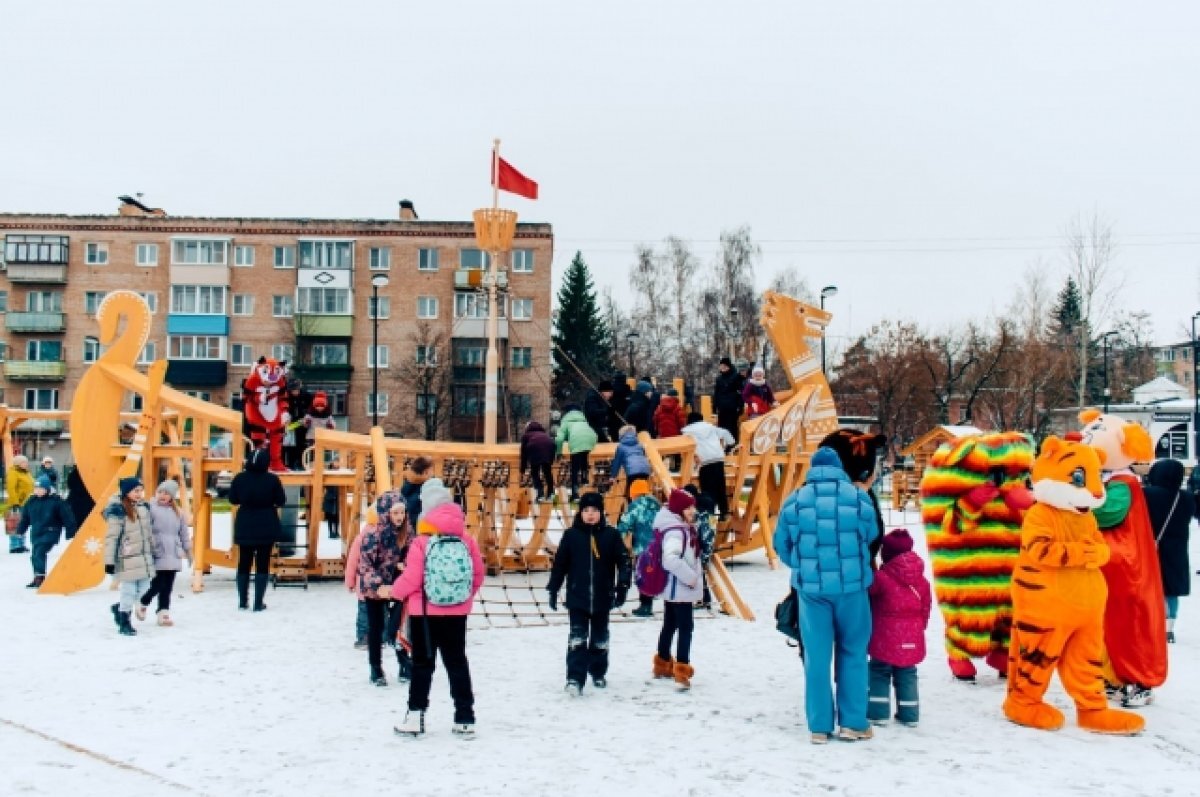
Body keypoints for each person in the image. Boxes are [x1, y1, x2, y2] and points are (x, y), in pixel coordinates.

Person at [774, 446, 880, 744]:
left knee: (816, 658)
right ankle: (853, 722)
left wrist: (802, 566)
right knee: (854, 653)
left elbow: (781, 544)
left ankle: (819, 727)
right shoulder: (858, 497)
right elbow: (871, 536)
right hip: (852, 589)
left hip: (812, 592)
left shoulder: (794, 501)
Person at [387, 479, 485, 737]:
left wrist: (394, 592)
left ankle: (415, 717)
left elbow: (412, 577)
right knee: (457, 662)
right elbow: (478, 573)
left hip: (425, 613)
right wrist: (464, 598)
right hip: (457, 613)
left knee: (422, 664)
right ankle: (465, 718)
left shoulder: (422, 542)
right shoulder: (466, 539)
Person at [546, 491, 632, 695]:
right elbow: (560, 565)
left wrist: (622, 586)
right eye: (586, 510)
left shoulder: (611, 535)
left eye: (594, 510)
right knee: (577, 638)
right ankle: (575, 678)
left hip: (603, 597)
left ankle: (598, 671)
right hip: (578, 597)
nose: (590, 514)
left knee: (600, 638)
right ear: (580, 513)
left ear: (601, 512)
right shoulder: (571, 535)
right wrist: (553, 588)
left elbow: (623, 561)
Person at [866, 529, 932, 728]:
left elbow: (868, 594)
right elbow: (925, 608)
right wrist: (919, 629)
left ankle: (878, 713)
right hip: (912, 636)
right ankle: (910, 714)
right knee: (907, 673)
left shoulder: (881, 578)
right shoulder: (922, 581)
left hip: (884, 637)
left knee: (879, 671)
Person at [356, 491, 412, 686]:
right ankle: (376, 668)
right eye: (395, 513)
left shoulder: (407, 533)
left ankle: (404, 663)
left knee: (398, 627)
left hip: (398, 585)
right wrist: (379, 584)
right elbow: (364, 565)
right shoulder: (373, 534)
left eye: (402, 513)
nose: (399, 517)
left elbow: (412, 555)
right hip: (376, 587)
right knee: (376, 627)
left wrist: (404, 566)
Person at [652, 489, 702, 690]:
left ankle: (663, 663)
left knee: (670, 624)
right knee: (685, 628)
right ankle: (681, 669)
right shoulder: (675, 531)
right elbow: (670, 559)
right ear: (679, 509)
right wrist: (690, 578)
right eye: (688, 507)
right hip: (680, 587)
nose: (692, 510)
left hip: (673, 588)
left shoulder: (679, 526)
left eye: (692, 506)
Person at [229, 448, 287, 611]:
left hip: (245, 523)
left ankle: (242, 601)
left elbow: (233, 499)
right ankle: (258, 602)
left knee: (244, 562)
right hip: (266, 523)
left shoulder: (240, 478)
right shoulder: (272, 479)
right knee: (263, 562)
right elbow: (281, 501)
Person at [1144, 458, 1193, 644]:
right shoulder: (1186, 497)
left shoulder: (1147, 494)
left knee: (1150, 587)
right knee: (1171, 590)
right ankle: (1169, 628)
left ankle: (1151, 623)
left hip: (1151, 547)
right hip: (1177, 549)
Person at [137, 480, 192, 626]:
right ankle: (143, 601)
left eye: (166, 493)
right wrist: (150, 545)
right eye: (160, 492)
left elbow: (184, 533)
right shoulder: (151, 508)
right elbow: (145, 528)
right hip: (158, 550)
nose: (162, 495)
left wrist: (188, 550)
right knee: (158, 583)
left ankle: (163, 613)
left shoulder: (178, 512)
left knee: (168, 586)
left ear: (172, 496)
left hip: (173, 552)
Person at [102, 477, 152, 636]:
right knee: (129, 591)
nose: (139, 494)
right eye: (135, 491)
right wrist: (109, 561)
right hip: (126, 558)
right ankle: (124, 620)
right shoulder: (118, 511)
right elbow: (112, 537)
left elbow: (149, 534)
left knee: (145, 590)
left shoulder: (143, 508)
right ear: (126, 492)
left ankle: (120, 607)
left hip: (143, 557)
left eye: (140, 490)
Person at [18, 475, 76, 588]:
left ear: (47, 489)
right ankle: (37, 577)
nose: (38, 491)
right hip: (36, 532)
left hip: (51, 531)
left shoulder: (56, 501)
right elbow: (25, 518)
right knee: (35, 555)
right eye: (36, 488)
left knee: (39, 552)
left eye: (41, 489)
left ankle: (40, 577)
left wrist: (71, 531)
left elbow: (67, 517)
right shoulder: (31, 501)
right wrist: (21, 529)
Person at [618, 479, 662, 617]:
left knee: (643, 576)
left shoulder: (635, 506)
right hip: (659, 546)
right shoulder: (657, 505)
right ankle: (650, 599)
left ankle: (645, 605)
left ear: (633, 493)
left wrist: (617, 537)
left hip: (643, 547)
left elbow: (625, 524)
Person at [682, 411, 736, 519]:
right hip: (718, 458)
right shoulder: (710, 427)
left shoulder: (686, 431)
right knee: (721, 486)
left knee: (707, 490)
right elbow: (725, 433)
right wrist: (731, 443)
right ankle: (724, 511)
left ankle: (709, 513)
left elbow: (685, 447)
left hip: (704, 461)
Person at [555, 404, 598, 501]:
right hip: (591, 438)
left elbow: (559, 438)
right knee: (584, 456)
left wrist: (558, 452)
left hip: (576, 440)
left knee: (574, 467)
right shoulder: (583, 420)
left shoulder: (566, 421)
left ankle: (575, 493)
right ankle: (584, 478)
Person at [520, 421, 557, 503]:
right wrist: (551, 460)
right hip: (549, 448)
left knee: (535, 473)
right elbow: (552, 444)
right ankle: (551, 493)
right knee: (547, 472)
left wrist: (522, 469)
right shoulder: (544, 434)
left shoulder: (526, 435)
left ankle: (540, 494)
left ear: (527, 428)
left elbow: (523, 453)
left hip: (534, 449)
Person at [610, 425, 651, 496]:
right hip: (645, 470)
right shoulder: (640, 445)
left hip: (632, 472)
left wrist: (613, 476)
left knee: (630, 493)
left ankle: (631, 505)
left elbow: (617, 462)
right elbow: (643, 456)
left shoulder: (621, 447)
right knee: (642, 492)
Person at [712, 357, 745, 441]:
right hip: (722, 408)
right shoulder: (719, 379)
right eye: (721, 366)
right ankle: (723, 446)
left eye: (725, 366)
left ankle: (733, 445)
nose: (722, 368)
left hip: (732, 407)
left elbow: (741, 392)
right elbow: (716, 393)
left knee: (732, 427)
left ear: (729, 366)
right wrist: (714, 407)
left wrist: (740, 406)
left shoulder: (736, 377)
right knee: (722, 428)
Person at [6, 454, 34, 553]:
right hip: (17, 503)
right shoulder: (13, 473)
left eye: (26, 462)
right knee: (14, 524)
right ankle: (14, 545)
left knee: (23, 523)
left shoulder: (26, 473)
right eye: (23, 462)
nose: (26, 464)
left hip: (27, 503)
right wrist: (15, 502)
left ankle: (21, 544)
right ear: (18, 463)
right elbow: (11, 488)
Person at [64, 465, 95, 539]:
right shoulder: (91, 474)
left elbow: (70, 483)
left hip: (78, 504)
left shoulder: (74, 473)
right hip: (87, 502)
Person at [607, 372, 632, 441]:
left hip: (613, 419)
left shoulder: (610, 391)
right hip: (625, 417)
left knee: (615, 440)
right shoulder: (627, 390)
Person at [322, 458, 341, 540]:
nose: (337, 463)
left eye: (338, 462)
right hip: (330, 496)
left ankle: (336, 531)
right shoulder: (328, 471)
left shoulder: (340, 471)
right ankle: (331, 532)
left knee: (336, 516)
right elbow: (326, 484)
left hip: (337, 496)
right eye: (336, 462)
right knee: (330, 516)